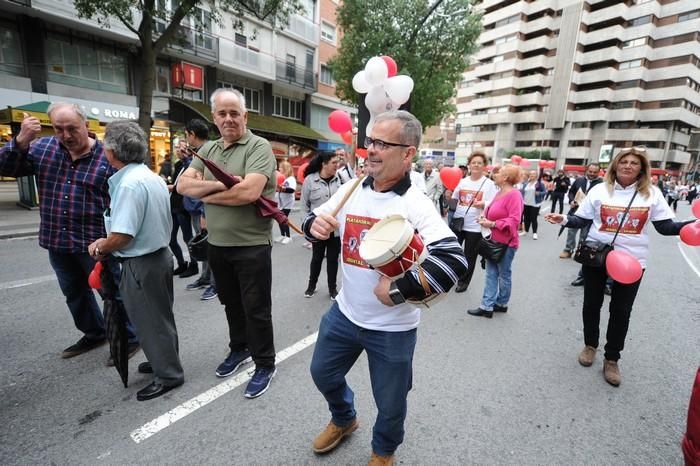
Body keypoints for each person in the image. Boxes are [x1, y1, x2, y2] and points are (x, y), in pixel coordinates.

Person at [304, 110, 467, 465]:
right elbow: (314, 218)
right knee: (322, 373)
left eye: (381, 143)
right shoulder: (351, 188)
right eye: (369, 142)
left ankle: (383, 451)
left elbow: (455, 261)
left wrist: (398, 290)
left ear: (407, 153)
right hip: (345, 314)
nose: (370, 150)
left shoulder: (415, 203)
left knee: (391, 404)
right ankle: (345, 419)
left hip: (393, 329)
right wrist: (313, 227)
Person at [544, 147, 694, 386]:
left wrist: (692, 224)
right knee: (591, 304)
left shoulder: (652, 194)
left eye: (634, 163)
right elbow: (581, 220)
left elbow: (665, 227)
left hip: (632, 263)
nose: (628, 166)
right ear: (616, 165)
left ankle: (612, 358)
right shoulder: (599, 190)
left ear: (641, 168)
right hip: (597, 256)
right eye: (624, 161)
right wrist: (562, 218)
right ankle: (590, 345)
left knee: (621, 311)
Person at [0, 103, 139, 359]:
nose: (66, 135)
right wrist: (19, 142)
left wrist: (116, 241)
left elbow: (126, 201)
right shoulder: (43, 149)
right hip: (57, 240)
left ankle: (128, 338)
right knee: (74, 293)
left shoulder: (107, 158)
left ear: (86, 126)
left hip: (94, 244)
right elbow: (7, 168)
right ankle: (94, 332)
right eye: (58, 129)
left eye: (72, 128)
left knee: (112, 294)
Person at [177, 88, 277, 398]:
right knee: (230, 303)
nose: (229, 118)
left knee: (256, 308)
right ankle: (240, 348)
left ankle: (265, 363)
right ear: (215, 118)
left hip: (252, 245)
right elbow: (182, 185)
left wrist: (204, 191)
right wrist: (224, 184)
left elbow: (248, 193)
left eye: (235, 113)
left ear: (245, 116)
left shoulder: (259, 148)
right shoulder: (207, 150)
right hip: (218, 245)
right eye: (222, 113)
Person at [88, 120, 184, 401]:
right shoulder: (149, 176)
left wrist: (99, 246)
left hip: (142, 261)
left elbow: (122, 236)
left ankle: (168, 374)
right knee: (160, 317)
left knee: (150, 320)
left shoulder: (129, 185)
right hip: (158, 256)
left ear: (112, 152)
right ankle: (162, 359)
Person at [468, 164, 524, 318]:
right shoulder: (499, 192)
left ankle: (501, 303)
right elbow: (496, 212)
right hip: (493, 240)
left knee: (503, 274)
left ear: (505, 178)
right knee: (491, 273)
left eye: (498, 173)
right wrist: (485, 218)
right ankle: (487, 306)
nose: (494, 175)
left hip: (506, 242)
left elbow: (514, 220)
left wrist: (492, 224)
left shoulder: (514, 195)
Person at [181, 118, 218, 301]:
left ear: (192, 134)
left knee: (210, 246)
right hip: (196, 207)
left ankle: (214, 283)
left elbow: (208, 184)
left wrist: (204, 211)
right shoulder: (199, 152)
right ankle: (205, 278)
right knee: (202, 245)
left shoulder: (209, 152)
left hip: (203, 207)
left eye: (186, 135)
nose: (186, 139)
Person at [452, 151, 497, 293]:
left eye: (479, 163)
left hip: (476, 225)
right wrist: (448, 196)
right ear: (469, 165)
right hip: (459, 222)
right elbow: (454, 200)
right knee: (453, 252)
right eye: (473, 162)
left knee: (470, 256)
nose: (476, 165)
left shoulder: (489, 184)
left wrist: (483, 203)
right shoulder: (461, 181)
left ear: (484, 166)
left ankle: (463, 282)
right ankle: (451, 276)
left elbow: (494, 204)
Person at [300, 151, 342, 299]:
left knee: (332, 261)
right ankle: (311, 286)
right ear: (324, 164)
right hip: (317, 229)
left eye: (338, 162)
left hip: (335, 230)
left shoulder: (340, 179)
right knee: (316, 259)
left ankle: (332, 290)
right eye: (334, 163)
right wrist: (307, 229)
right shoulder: (310, 180)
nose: (338, 165)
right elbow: (304, 207)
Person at [560, 163, 603, 261]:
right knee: (571, 231)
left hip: (591, 213)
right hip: (576, 210)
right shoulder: (579, 180)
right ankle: (568, 250)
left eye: (595, 172)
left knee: (584, 234)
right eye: (590, 171)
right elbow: (571, 192)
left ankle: (580, 252)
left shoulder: (601, 184)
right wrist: (571, 201)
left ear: (599, 172)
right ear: (586, 170)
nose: (592, 174)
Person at [168, 146, 197, 278]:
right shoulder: (178, 164)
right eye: (177, 147)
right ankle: (181, 263)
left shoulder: (190, 164)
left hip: (182, 206)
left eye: (181, 148)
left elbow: (185, 184)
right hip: (173, 204)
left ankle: (194, 265)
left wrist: (173, 187)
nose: (178, 150)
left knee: (187, 238)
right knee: (171, 238)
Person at [274, 160, 297, 245]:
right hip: (280, 203)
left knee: (284, 219)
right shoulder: (282, 178)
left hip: (287, 203)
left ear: (285, 169)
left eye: (280, 167)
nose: (279, 169)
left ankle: (288, 237)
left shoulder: (291, 179)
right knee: (279, 219)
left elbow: (291, 190)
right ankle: (282, 235)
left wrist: (281, 188)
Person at [520, 170, 546, 240]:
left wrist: (539, 193)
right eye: (531, 174)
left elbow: (544, 192)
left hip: (535, 204)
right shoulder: (526, 183)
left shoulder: (539, 184)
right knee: (526, 218)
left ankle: (535, 233)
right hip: (526, 203)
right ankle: (526, 231)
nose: (531, 175)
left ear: (536, 176)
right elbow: (522, 192)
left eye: (533, 174)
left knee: (533, 218)